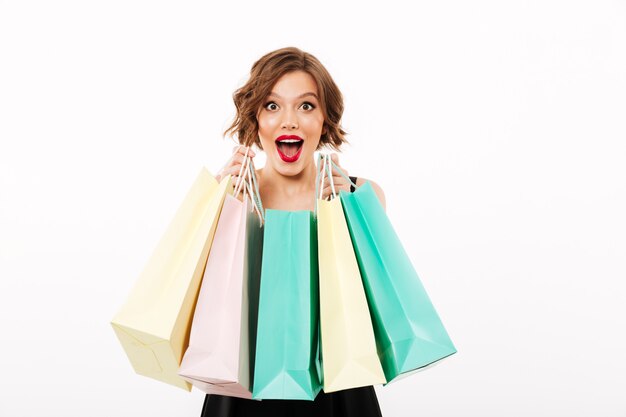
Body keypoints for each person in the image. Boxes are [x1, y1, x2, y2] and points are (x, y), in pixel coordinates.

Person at [204, 46, 386, 417]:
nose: (289, 121)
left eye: (306, 106)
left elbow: (375, 304)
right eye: (272, 106)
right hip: (242, 391)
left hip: (339, 393)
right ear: (255, 120)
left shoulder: (362, 196)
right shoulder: (227, 197)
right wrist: (219, 208)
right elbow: (201, 306)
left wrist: (351, 208)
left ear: (325, 120)